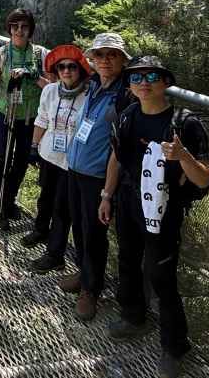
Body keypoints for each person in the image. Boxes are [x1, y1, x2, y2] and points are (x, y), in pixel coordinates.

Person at [100, 56, 209, 378]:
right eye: (136, 77)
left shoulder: (184, 123)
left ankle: (173, 347)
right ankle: (133, 317)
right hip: (129, 202)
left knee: (162, 278)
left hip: (163, 212)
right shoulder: (128, 115)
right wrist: (107, 196)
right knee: (127, 260)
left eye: (151, 76)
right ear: (130, 85)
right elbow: (117, 158)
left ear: (165, 82)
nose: (143, 82)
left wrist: (182, 155)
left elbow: (204, 178)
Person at [59, 32, 132, 321]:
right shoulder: (93, 87)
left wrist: (108, 193)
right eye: (99, 55)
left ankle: (91, 290)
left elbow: (119, 147)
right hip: (76, 169)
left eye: (112, 55)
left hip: (98, 177)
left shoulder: (125, 94)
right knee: (79, 226)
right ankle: (83, 272)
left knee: (95, 234)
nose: (104, 60)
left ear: (123, 60)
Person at [0, 9, 50, 229]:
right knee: (2, 160)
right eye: (15, 26)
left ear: (30, 30)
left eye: (24, 27)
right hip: (5, 114)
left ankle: (9, 200)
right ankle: (1, 206)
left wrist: (32, 76)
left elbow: (52, 87)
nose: (19, 31)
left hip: (30, 117)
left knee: (21, 162)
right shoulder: (1, 53)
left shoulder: (41, 54)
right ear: (9, 29)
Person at [25, 44, 91, 273]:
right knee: (45, 197)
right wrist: (34, 146)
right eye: (61, 67)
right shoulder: (50, 91)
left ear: (81, 69)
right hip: (48, 153)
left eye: (72, 66)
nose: (66, 71)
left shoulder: (89, 95)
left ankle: (55, 254)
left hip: (71, 161)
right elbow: (42, 119)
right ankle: (40, 230)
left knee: (63, 208)